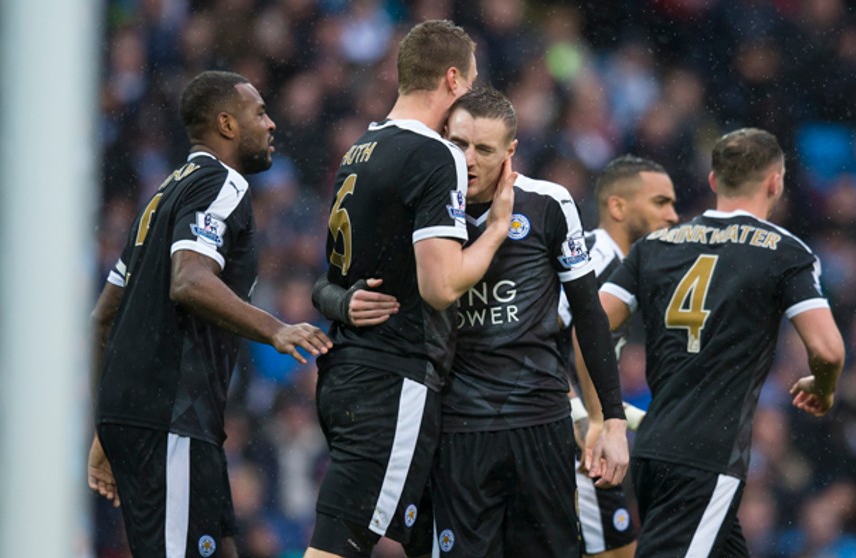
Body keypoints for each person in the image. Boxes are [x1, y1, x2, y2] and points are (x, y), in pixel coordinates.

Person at [315, 87, 631, 556]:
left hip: (539, 422)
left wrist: (613, 421)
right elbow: (327, 282)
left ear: (510, 151)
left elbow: (589, 314)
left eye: (484, 149)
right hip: (455, 427)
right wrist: (342, 303)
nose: (468, 159)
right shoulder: (421, 208)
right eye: (458, 144)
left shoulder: (548, 204)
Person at [86, 70, 332, 558]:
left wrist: (106, 428)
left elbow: (102, 318)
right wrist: (275, 329)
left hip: (154, 416)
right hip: (171, 416)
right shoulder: (223, 184)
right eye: (259, 112)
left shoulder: (159, 198)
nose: (271, 123)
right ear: (226, 124)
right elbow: (190, 279)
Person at [306, 21, 517, 558]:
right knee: (340, 546)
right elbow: (441, 285)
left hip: (347, 373)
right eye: (470, 82)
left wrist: (337, 300)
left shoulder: (362, 146)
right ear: (452, 79)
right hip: (391, 378)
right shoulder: (435, 154)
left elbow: (332, 276)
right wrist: (494, 233)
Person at [601, 128, 845, 557]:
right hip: (706, 457)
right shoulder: (784, 252)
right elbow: (828, 350)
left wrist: (607, 412)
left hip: (655, 448)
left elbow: (593, 325)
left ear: (714, 181)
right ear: (776, 182)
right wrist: (822, 387)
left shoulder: (653, 246)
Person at [559, 155, 678, 558]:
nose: (673, 215)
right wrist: (585, 411)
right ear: (618, 207)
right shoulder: (595, 257)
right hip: (571, 433)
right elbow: (546, 329)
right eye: (660, 202)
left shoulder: (626, 267)